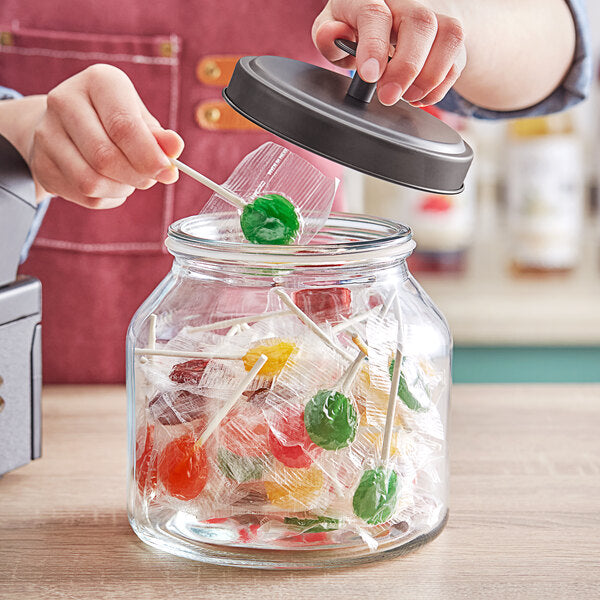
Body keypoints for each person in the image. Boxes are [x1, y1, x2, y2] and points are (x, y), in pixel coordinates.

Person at [0, 0, 590, 382]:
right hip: (25, 381)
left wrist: (449, 22)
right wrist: (19, 132)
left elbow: (567, 33)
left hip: (295, 367)